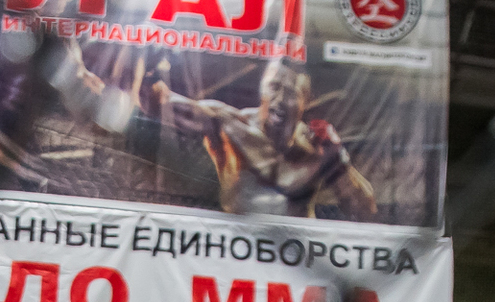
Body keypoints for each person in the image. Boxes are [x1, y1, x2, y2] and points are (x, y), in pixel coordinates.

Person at [56, 46, 375, 220]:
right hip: (237, 247)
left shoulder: (319, 147)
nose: (280, 99)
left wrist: (340, 160)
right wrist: (149, 72)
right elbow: (160, 104)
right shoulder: (229, 123)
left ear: (305, 101)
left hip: (297, 256)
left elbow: (364, 209)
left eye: (290, 93)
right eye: (274, 88)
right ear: (263, 93)